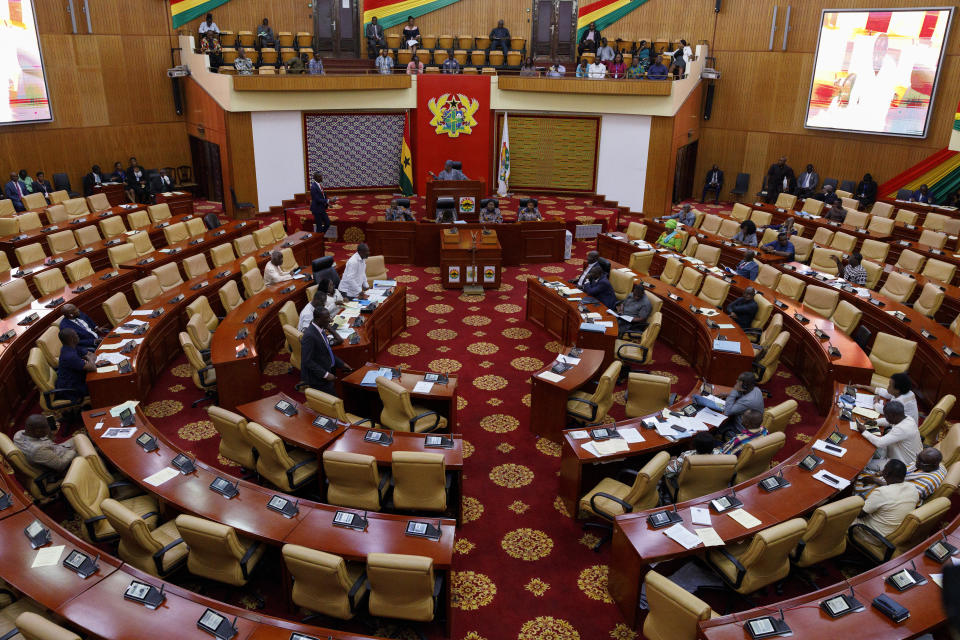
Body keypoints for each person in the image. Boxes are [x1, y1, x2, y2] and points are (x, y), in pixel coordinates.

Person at [852, 459, 919, 539]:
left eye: (884, 469)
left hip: (871, 535)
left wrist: (858, 500)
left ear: (886, 474)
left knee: (842, 513)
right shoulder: (913, 488)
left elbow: (859, 515)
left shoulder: (882, 492)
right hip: (890, 534)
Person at [857, 400, 922, 473]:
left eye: (887, 416)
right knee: (870, 451)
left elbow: (880, 443)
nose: (886, 418)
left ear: (893, 416)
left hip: (902, 465)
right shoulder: (907, 418)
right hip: (898, 454)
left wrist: (864, 431)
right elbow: (888, 421)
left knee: (862, 464)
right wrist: (876, 422)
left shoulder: (902, 429)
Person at [857, 447, 945, 501]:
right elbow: (904, 470)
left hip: (891, 496)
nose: (916, 462)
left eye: (920, 461)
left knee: (857, 485)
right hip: (891, 481)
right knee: (860, 475)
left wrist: (876, 480)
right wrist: (882, 473)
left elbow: (902, 496)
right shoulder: (928, 463)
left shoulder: (928, 481)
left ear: (931, 465)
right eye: (918, 458)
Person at [693, 371, 764, 433]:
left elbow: (727, 412)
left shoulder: (747, 401)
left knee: (712, 428)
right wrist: (727, 394)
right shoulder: (756, 389)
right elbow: (743, 394)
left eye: (738, 382)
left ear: (744, 387)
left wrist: (733, 394)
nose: (736, 382)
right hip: (752, 420)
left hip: (739, 429)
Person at [301, 307, 351, 394]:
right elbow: (307, 360)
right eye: (327, 318)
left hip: (327, 369)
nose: (330, 320)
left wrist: (341, 363)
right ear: (318, 319)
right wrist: (326, 375)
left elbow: (326, 352)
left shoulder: (321, 330)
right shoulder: (309, 336)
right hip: (318, 378)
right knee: (333, 403)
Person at [852, 373, 919, 424]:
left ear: (897, 390)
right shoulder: (907, 392)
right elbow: (881, 391)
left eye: (890, 385)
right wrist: (862, 386)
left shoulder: (899, 402)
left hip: (902, 429)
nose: (887, 387)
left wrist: (876, 400)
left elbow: (882, 410)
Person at [57, 328, 95, 403]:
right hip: (73, 389)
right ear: (72, 339)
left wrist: (88, 359)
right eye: (76, 335)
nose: (78, 336)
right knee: (100, 385)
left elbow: (92, 355)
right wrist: (88, 358)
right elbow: (93, 367)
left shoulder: (73, 346)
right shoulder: (69, 355)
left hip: (79, 380)